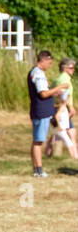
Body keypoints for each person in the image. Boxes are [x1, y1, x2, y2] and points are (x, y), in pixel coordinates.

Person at [28, 50, 66, 178]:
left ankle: (37, 168)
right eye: (49, 63)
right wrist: (59, 88)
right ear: (43, 60)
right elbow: (43, 93)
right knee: (38, 141)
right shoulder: (38, 74)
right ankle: (38, 169)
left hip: (40, 110)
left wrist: (53, 92)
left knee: (37, 140)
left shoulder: (37, 73)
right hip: (41, 110)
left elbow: (45, 91)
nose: (49, 66)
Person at [44, 57, 78, 159]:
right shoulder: (63, 79)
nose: (73, 70)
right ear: (65, 68)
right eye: (71, 68)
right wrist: (70, 107)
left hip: (62, 109)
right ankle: (75, 157)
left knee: (59, 133)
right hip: (61, 109)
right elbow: (62, 96)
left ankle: (48, 152)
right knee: (69, 133)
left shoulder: (64, 78)